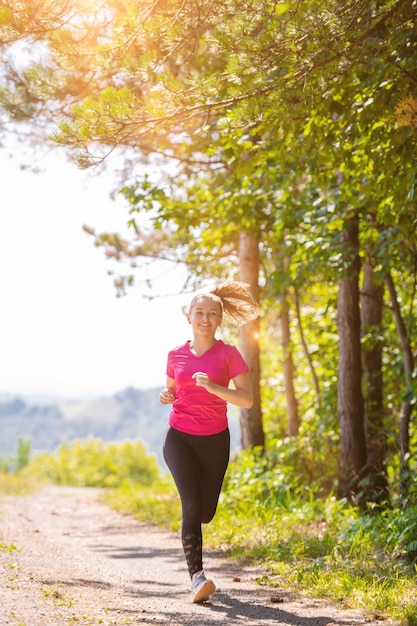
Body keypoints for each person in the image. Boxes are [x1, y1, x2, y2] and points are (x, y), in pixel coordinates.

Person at [159, 280, 260, 603]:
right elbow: (173, 389)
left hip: (215, 439)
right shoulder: (175, 354)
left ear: (220, 319)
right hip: (179, 438)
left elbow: (247, 400)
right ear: (189, 316)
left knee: (205, 512)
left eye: (212, 314)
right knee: (190, 505)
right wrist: (167, 395)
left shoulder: (229, 354)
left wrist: (216, 389)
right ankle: (198, 579)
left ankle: (198, 568)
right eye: (199, 312)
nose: (205, 318)